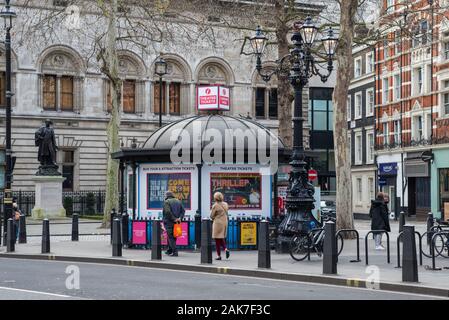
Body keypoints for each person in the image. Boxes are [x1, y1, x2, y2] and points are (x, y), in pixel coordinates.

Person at [162, 191, 185, 257]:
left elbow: (167, 212)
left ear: (167, 196)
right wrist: (180, 218)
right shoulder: (178, 201)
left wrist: (174, 219)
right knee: (174, 236)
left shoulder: (167, 202)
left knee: (170, 237)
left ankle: (175, 252)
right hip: (177, 222)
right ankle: (170, 250)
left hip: (169, 222)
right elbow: (183, 211)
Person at [211, 192, 230, 260]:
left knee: (217, 239)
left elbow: (212, 216)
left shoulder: (215, 205)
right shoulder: (225, 204)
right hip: (224, 222)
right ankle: (225, 249)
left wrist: (214, 218)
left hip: (218, 223)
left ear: (215, 198)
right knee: (221, 237)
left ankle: (219, 255)